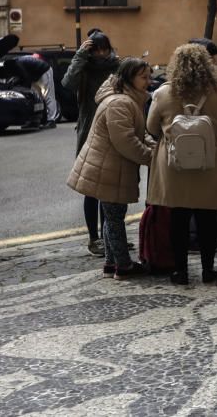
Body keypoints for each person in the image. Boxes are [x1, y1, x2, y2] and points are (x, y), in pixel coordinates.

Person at [146, 44, 217, 285]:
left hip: (174, 166)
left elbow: (151, 128)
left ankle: (181, 271)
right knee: (208, 218)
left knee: (178, 219)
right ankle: (208, 270)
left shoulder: (164, 94)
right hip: (210, 164)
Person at [67, 58, 155, 278]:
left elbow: (137, 132)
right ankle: (123, 266)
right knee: (114, 218)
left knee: (112, 217)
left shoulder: (126, 99)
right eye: (143, 77)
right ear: (128, 77)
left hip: (110, 167)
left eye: (149, 76)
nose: (148, 81)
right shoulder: (120, 103)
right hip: (109, 168)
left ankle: (111, 263)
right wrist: (151, 157)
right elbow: (125, 141)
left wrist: (154, 146)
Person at [62, 30, 119, 257]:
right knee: (91, 189)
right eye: (96, 49)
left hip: (113, 128)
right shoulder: (83, 68)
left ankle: (110, 234)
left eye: (104, 48)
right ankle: (94, 238)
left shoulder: (116, 66)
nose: (101, 53)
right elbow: (67, 83)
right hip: (89, 131)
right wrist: (79, 57)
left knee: (110, 189)